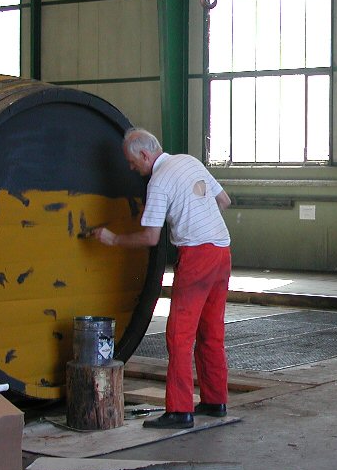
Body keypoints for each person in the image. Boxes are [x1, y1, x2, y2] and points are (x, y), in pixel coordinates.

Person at [92, 128, 233, 429]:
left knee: (179, 335)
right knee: (211, 331)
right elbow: (224, 200)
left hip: (197, 255)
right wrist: (198, 216)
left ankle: (180, 411)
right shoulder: (189, 161)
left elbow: (151, 238)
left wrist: (113, 239)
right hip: (222, 250)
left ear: (145, 155)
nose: (132, 168)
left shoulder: (158, 180)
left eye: (132, 163)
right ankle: (215, 401)